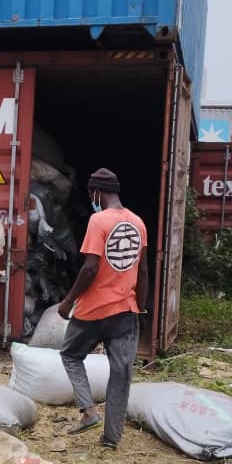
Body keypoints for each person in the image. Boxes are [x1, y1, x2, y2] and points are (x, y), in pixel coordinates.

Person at [56, 168, 148, 449]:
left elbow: (90, 267)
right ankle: (111, 439)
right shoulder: (138, 223)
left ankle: (88, 411)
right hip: (125, 311)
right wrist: (139, 309)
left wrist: (69, 300)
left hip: (93, 311)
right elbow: (143, 271)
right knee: (121, 374)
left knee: (71, 354)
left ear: (96, 192)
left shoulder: (98, 221)